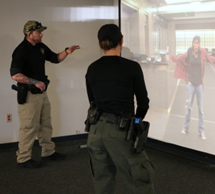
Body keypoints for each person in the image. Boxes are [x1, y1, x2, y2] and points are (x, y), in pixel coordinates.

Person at [85, 24, 155, 194]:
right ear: (121, 41)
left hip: (95, 131)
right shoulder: (132, 67)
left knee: (102, 180)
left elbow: (92, 101)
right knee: (140, 179)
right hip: (120, 131)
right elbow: (143, 102)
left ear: (100, 44)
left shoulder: (92, 68)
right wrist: (136, 122)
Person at [10, 20, 80, 168]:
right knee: (29, 127)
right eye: (38, 32)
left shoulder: (40, 47)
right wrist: (34, 82)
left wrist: (67, 51)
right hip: (29, 95)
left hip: (42, 93)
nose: (41, 34)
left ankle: (48, 152)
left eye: (41, 32)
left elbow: (55, 58)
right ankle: (23, 158)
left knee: (45, 124)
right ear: (29, 34)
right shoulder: (21, 50)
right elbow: (15, 75)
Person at [169, 36, 215, 140]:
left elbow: (211, 59)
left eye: (197, 43)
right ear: (192, 43)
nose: (196, 45)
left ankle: (201, 131)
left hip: (199, 85)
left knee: (201, 110)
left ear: (199, 44)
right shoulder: (189, 51)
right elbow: (181, 58)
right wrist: (173, 58)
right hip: (191, 84)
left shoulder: (203, 52)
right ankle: (185, 128)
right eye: (194, 43)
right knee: (188, 108)